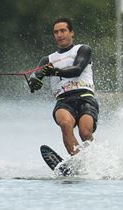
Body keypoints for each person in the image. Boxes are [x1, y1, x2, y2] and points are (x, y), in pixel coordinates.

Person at [29, 17, 99, 156]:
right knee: (65, 124)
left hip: (85, 97)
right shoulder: (47, 60)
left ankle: (93, 160)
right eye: (56, 32)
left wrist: (55, 71)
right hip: (64, 100)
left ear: (71, 32)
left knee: (85, 132)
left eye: (63, 31)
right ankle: (78, 160)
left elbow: (77, 69)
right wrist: (34, 83)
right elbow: (34, 81)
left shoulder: (83, 49)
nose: (59, 35)